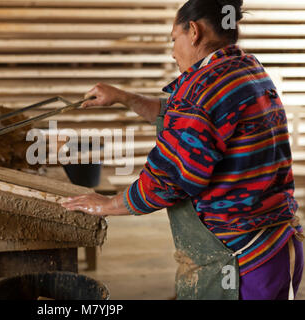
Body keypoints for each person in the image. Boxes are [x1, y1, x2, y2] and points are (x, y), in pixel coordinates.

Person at [62, 0, 304, 300]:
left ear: (193, 31)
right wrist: (122, 97)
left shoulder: (202, 90)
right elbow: (185, 118)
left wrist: (106, 204)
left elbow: (168, 180)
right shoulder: (244, 68)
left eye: (173, 38)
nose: (172, 50)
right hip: (276, 247)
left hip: (238, 263)